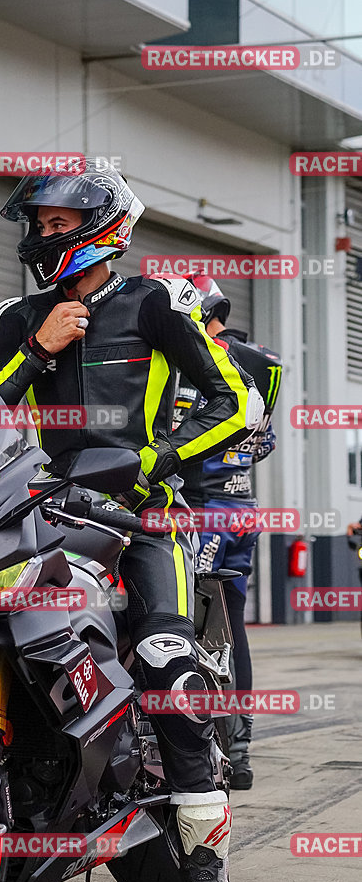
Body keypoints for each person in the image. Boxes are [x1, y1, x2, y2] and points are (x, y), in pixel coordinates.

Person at [0, 162, 264, 882]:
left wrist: (157, 458)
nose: (39, 235)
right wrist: (35, 347)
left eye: (56, 223)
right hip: (44, 513)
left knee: (166, 659)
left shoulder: (154, 303)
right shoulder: (18, 315)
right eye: (35, 223)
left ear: (104, 228)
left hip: (144, 522)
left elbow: (235, 400)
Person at [173, 275, 281, 790]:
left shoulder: (197, 364)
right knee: (232, 628)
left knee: (186, 630)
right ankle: (239, 751)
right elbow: (267, 440)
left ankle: (206, 749)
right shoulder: (254, 367)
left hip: (202, 514)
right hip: (241, 511)